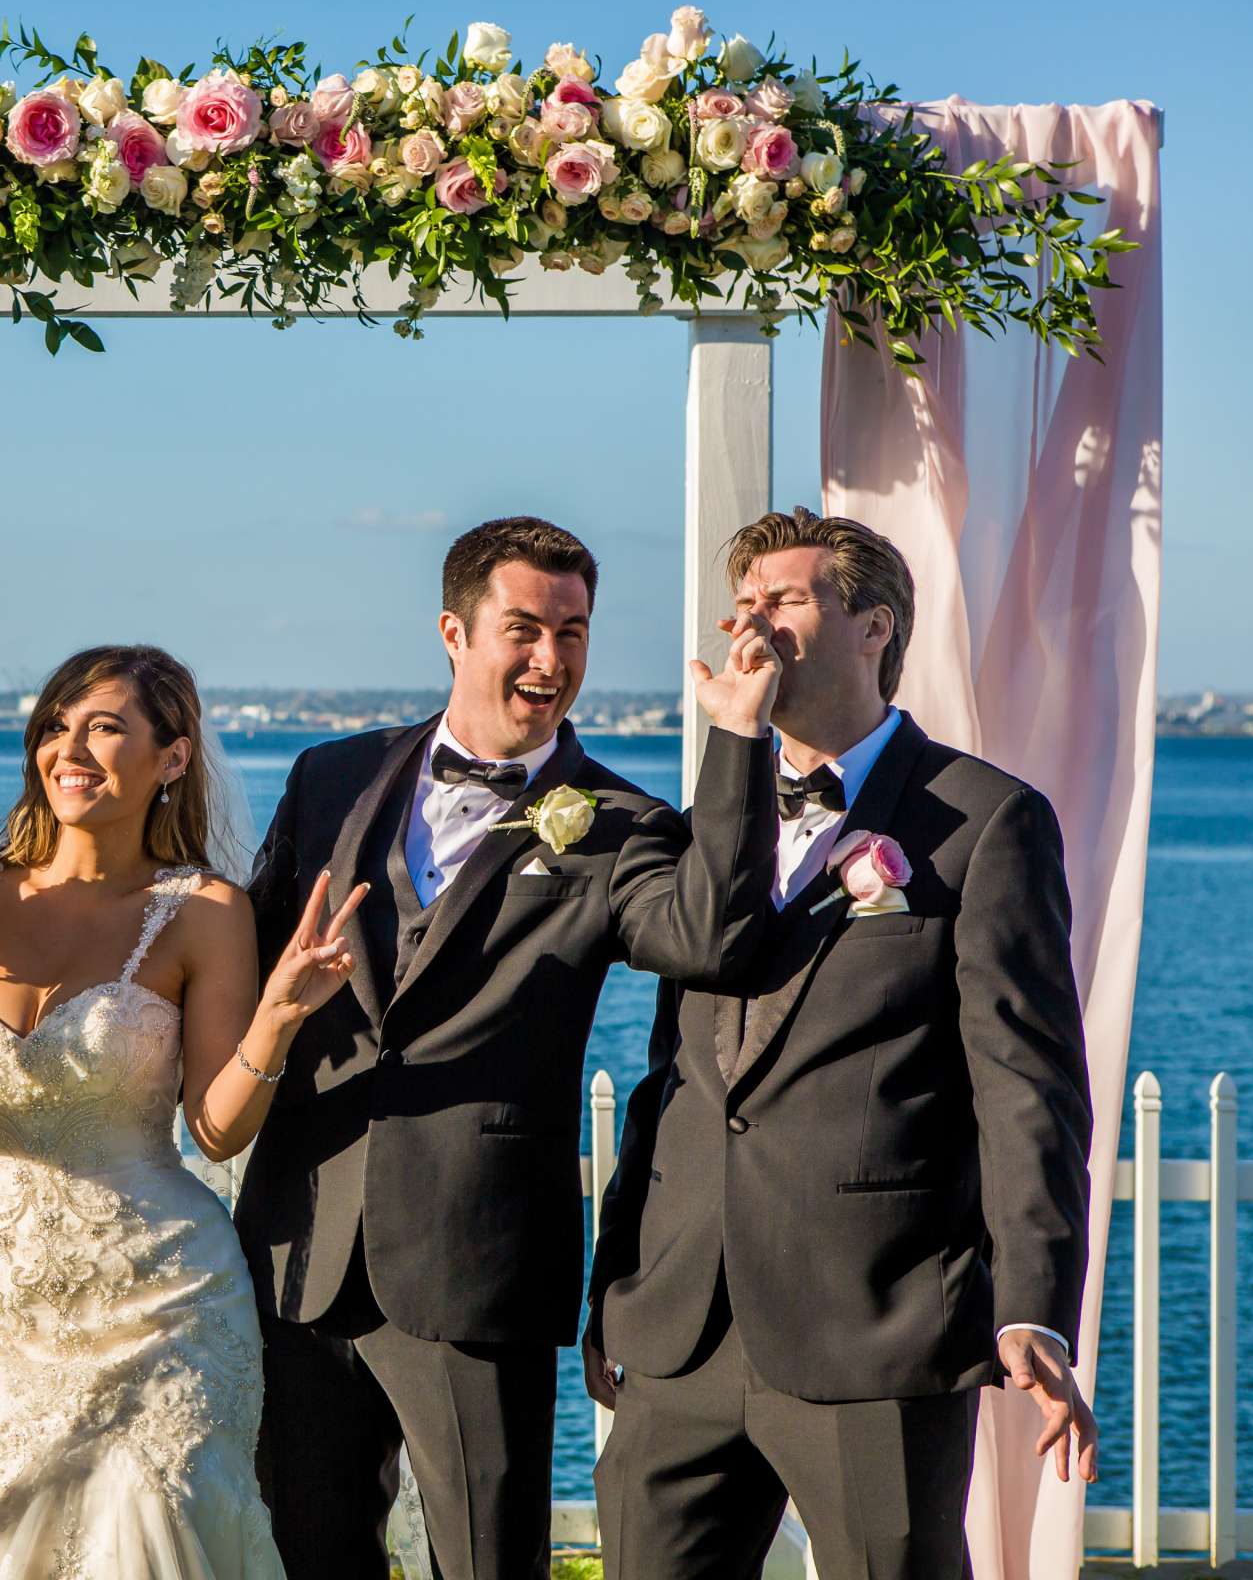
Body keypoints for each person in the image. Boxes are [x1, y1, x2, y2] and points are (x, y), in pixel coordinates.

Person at [236, 515, 785, 1577]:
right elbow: (247, 963)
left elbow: (714, 939)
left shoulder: (621, 822)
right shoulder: (330, 777)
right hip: (300, 1246)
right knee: (306, 1552)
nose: (552, 659)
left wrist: (737, 743)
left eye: (573, 632)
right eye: (523, 628)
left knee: (488, 1561)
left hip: (473, 1257)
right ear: (454, 630)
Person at [585, 510, 1097, 1578]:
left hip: (876, 1321)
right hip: (682, 1325)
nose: (756, 623)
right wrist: (617, 1281)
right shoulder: (709, 818)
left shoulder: (983, 820)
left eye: (788, 599)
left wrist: (1034, 1310)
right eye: (748, 603)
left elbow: (1025, 1085)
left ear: (876, 625)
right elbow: (674, 1071)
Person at [0, 644, 364, 1579]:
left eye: (105, 728)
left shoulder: (203, 909)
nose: (71, 749)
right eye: (57, 725)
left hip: (166, 1307)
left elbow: (217, 1130)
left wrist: (280, 1016)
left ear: (172, 759)